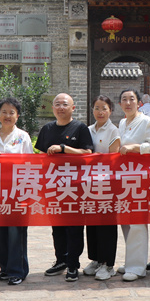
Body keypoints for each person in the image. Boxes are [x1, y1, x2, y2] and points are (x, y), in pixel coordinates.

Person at [35, 93, 95, 282]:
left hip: (75, 187)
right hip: (53, 186)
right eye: (57, 104)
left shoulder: (80, 128)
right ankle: (60, 260)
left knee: (74, 227)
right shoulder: (47, 129)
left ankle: (73, 264)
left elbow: (87, 153)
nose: (61, 107)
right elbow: (40, 156)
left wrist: (63, 148)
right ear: (53, 108)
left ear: (73, 108)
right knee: (57, 226)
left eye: (65, 104)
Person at [116, 88, 150, 282]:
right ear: (120, 104)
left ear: (139, 103)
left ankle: (137, 267)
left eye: (131, 99)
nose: (128, 103)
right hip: (124, 179)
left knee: (137, 222)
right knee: (126, 222)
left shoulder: (146, 122)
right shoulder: (122, 123)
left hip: (141, 179)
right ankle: (131, 261)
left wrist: (136, 147)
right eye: (124, 99)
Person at [0, 97, 34, 286]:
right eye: (4, 112)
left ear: (18, 116)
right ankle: (5, 268)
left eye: (12, 112)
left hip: (18, 191)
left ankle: (18, 271)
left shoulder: (23, 136)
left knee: (16, 232)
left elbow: (31, 164)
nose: (7, 116)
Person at [83, 95, 121, 281]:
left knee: (106, 223)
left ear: (110, 111)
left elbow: (112, 158)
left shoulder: (114, 131)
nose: (100, 112)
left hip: (107, 184)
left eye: (104, 108)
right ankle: (96, 259)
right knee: (92, 222)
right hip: (89, 183)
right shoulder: (88, 130)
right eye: (97, 108)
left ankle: (108, 264)